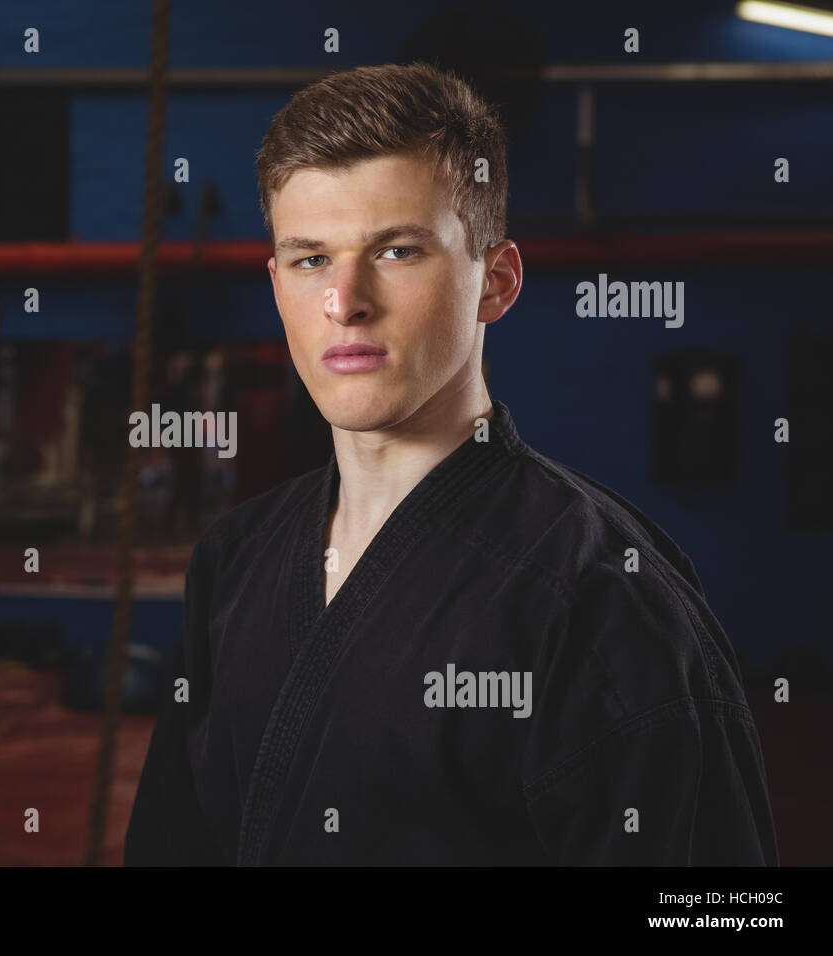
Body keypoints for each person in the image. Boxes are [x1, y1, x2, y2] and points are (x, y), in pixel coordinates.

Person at [123, 62, 778, 866]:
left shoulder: (606, 601)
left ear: (495, 283)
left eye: (397, 251)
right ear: (276, 281)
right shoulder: (235, 558)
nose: (345, 300)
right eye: (309, 259)